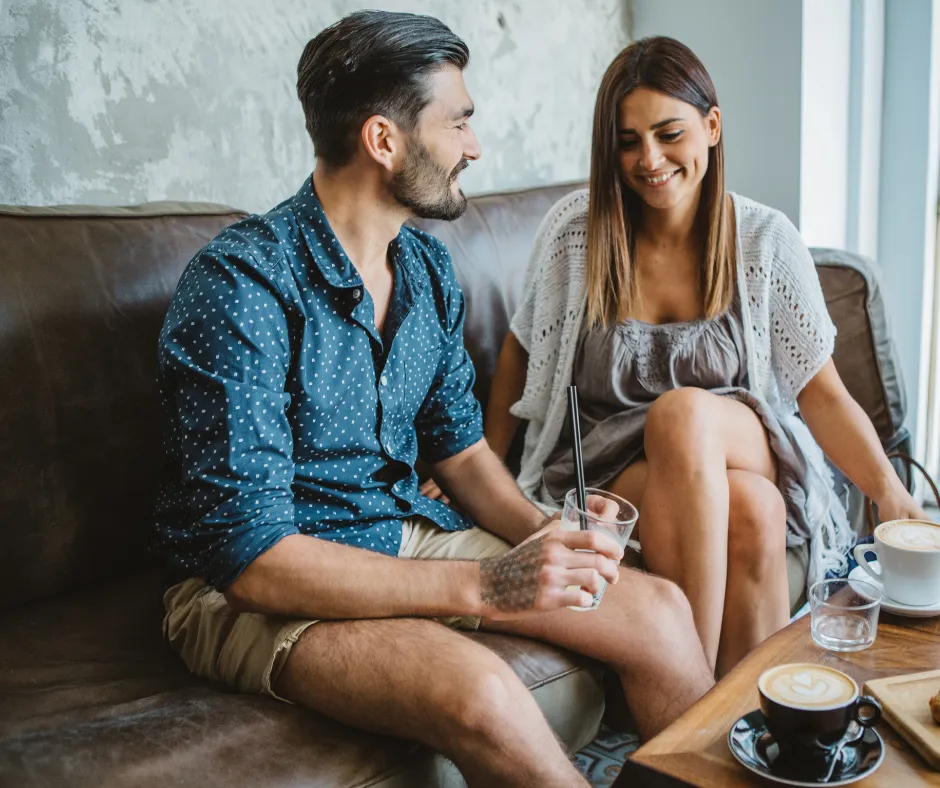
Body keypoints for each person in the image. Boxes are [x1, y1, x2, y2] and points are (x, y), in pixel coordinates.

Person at [154, 13, 714, 788]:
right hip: (257, 586)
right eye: (458, 122)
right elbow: (252, 561)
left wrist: (550, 536)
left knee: (659, 612)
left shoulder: (424, 269)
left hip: (398, 532)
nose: (473, 147)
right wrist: (488, 585)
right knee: (485, 692)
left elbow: (460, 452)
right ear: (384, 140)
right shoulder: (242, 285)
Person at [468, 37, 928, 678]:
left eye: (669, 133)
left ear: (712, 127)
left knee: (683, 415)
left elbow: (820, 392)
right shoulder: (578, 231)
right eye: (628, 142)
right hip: (613, 460)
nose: (649, 159)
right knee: (754, 509)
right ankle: (742, 710)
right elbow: (524, 345)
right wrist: (486, 464)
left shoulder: (765, 240)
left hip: (741, 438)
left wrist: (889, 492)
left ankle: (683, 688)